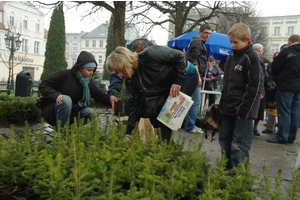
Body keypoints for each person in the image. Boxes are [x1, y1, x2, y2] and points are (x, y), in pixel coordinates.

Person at [106, 45, 186, 143]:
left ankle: (169, 152)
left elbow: (180, 56)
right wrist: (128, 134)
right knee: (155, 117)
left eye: (120, 70)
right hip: (167, 86)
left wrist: (178, 81)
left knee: (165, 120)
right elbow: (135, 106)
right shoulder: (132, 80)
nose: (120, 75)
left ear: (128, 62)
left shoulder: (150, 54)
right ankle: (167, 149)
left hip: (186, 75)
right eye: (117, 72)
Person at [219, 23, 262, 170]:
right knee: (224, 140)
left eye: (236, 42)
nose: (232, 45)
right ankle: (225, 171)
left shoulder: (252, 58)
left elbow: (255, 88)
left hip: (242, 111)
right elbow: (227, 85)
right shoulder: (231, 58)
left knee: (239, 145)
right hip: (228, 108)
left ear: (247, 40)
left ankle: (238, 177)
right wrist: (221, 104)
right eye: (231, 42)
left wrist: (244, 110)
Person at [39, 51, 117, 130]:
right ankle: (63, 133)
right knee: (66, 99)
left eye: (93, 70)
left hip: (74, 111)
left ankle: (72, 131)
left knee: (91, 113)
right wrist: (57, 95)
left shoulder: (88, 81)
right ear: (80, 68)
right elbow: (43, 85)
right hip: (54, 109)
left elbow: (99, 96)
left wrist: (111, 99)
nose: (91, 73)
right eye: (89, 70)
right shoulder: (64, 74)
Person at [267, 34, 300, 144]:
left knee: (284, 111)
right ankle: (291, 137)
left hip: (286, 85)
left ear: (289, 42)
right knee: (295, 112)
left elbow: (274, 67)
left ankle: (282, 136)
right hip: (298, 87)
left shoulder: (287, 52)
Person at [185, 24, 212, 132]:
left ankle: (188, 124)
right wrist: (197, 77)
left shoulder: (196, 42)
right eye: (206, 32)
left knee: (189, 100)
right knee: (195, 101)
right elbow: (194, 59)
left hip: (190, 74)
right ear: (200, 32)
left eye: (209, 33)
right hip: (193, 75)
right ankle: (190, 126)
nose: (208, 35)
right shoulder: (198, 42)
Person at [252, 43, 270, 136]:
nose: (260, 53)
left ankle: (255, 127)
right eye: (258, 51)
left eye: (260, 51)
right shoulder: (251, 59)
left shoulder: (265, 61)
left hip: (261, 87)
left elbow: (269, 73)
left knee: (259, 108)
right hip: (256, 87)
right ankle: (252, 127)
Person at [262, 51, 280, 134]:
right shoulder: (273, 64)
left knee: (278, 109)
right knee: (272, 108)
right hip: (273, 89)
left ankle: (275, 127)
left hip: (278, 88)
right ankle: (270, 126)